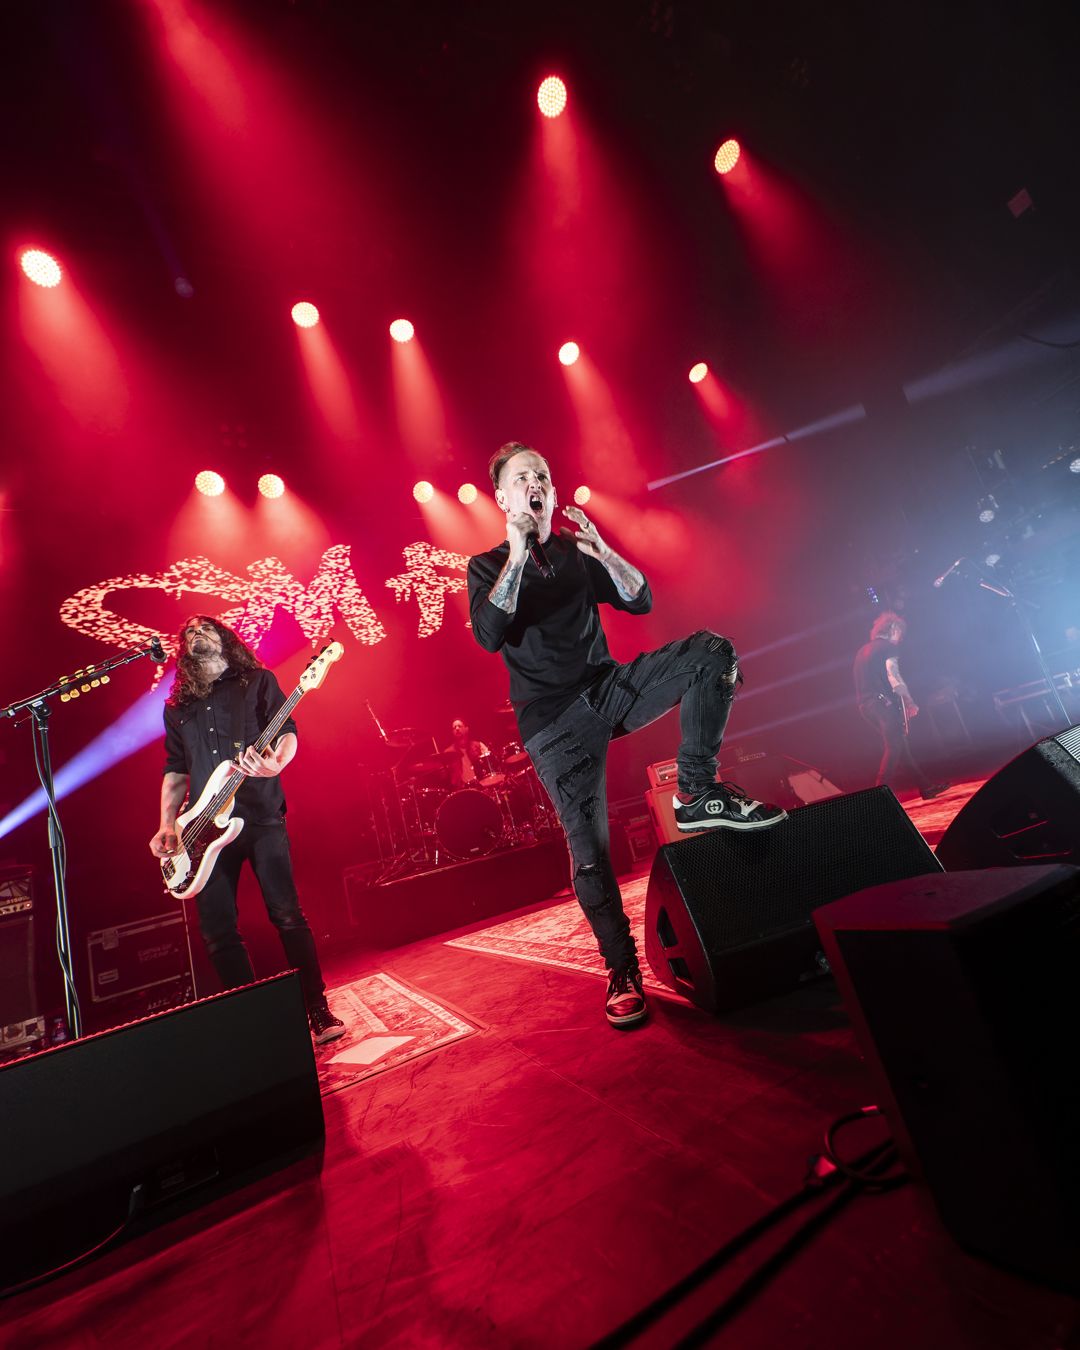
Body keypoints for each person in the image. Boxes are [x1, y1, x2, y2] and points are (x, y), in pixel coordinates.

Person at [468, 442, 787, 1029]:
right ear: (503, 497)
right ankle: (622, 970)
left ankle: (697, 792)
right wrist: (517, 552)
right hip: (554, 723)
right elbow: (489, 634)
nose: (535, 483)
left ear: (552, 491)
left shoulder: (573, 552)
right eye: (522, 478)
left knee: (711, 653)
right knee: (590, 855)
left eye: (543, 474)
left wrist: (602, 550)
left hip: (608, 687)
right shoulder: (488, 566)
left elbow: (640, 598)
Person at [148, 616, 345, 1044]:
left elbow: (287, 731)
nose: (195, 633)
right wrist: (167, 824)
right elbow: (176, 769)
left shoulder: (256, 681)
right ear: (183, 649)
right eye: (188, 632)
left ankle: (317, 1009)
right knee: (218, 932)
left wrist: (276, 762)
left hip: (258, 816)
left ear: (224, 638)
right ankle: (258, 1026)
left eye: (205, 627)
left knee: (288, 915)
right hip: (201, 831)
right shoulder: (177, 707)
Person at [854, 611, 948, 800]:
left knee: (900, 745)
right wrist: (909, 701)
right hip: (882, 704)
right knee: (895, 745)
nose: (900, 639)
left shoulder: (863, 651)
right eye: (900, 634)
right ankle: (878, 793)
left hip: (867, 706)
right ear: (894, 629)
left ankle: (925, 787)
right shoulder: (887, 648)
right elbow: (894, 677)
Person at [442, 718, 491, 788]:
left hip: (483, 785)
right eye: (454, 727)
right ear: (452, 732)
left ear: (466, 729)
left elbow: (490, 765)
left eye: (459, 726)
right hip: (463, 789)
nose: (457, 728)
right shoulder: (448, 753)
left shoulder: (479, 745)